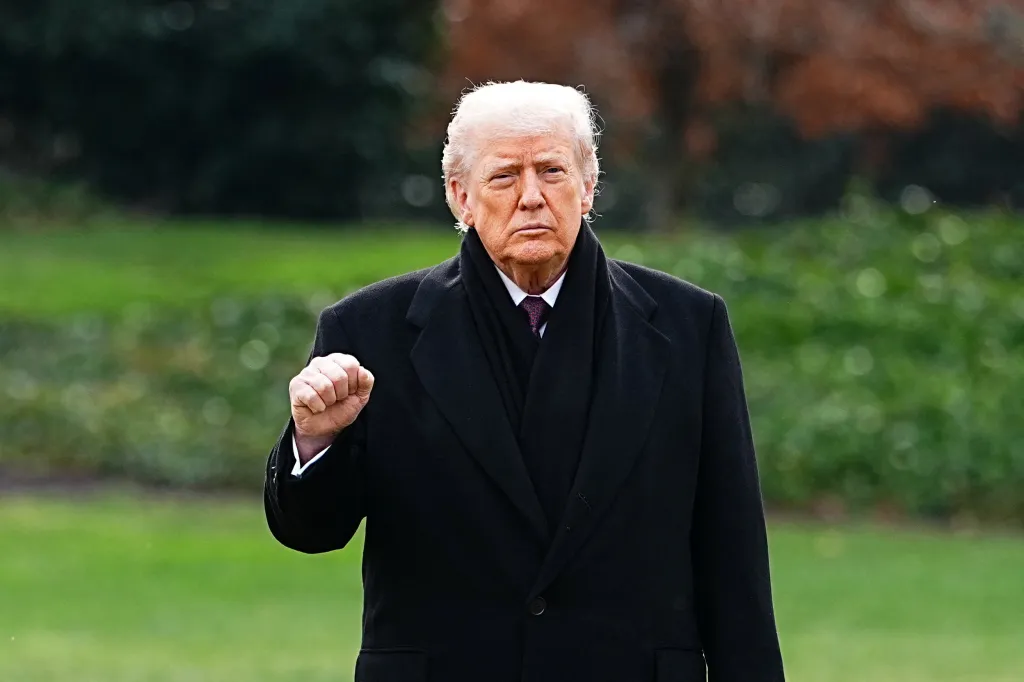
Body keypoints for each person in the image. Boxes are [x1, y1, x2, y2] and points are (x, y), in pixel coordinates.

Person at [264, 80, 785, 682]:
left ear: (589, 187)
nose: (532, 197)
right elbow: (312, 533)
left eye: (553, 171)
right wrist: (315, 445)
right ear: (460, 196)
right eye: (505, 177)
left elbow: (733, 555)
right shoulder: (368, 330)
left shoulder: (690, 327)